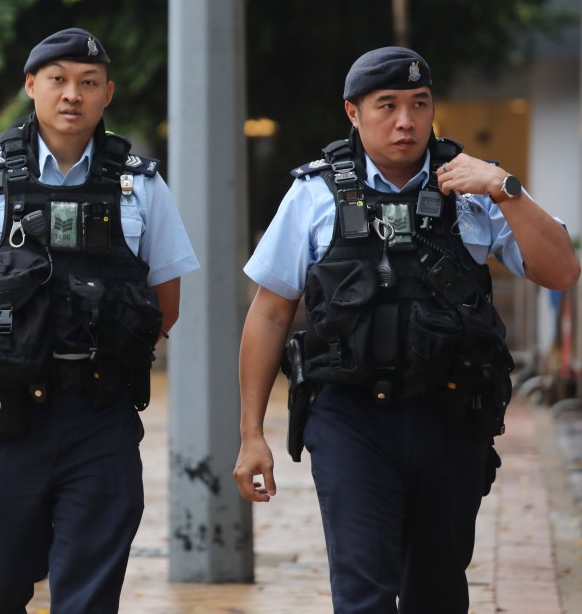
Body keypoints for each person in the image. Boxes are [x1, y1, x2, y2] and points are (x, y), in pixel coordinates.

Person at [232, 47, 580, 613]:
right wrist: (252, 434)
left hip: (449, 418)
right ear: (353, 113)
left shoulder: (475, 187)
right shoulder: (315, 192)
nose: (405, 121)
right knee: (363, 591)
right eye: (387, 105)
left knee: (437, 591)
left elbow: (562, 270)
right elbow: (270, 312)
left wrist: (504, 187)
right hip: (350, 418)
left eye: (419, 104)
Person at [0, 27, 199, 613]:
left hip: (101, 417)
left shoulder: (142, 185)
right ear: (32, 87)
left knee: (89, 593)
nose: (72, 94)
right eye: (58, 80)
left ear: (107, 95)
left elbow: (165, 303)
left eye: (88, 83)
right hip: (6, 416)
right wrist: (8, 353)